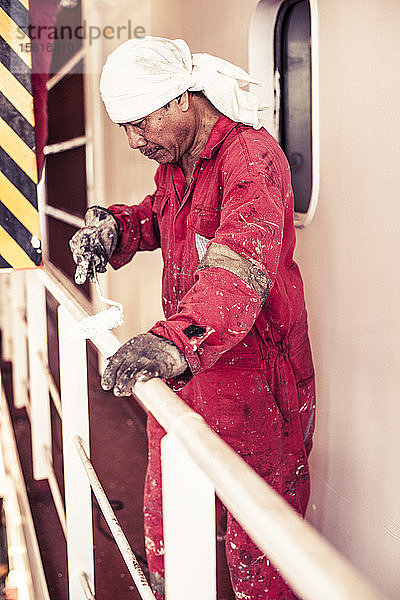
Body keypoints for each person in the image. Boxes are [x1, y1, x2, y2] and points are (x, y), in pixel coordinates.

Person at [70, 36, 316, 600]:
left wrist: (172, 343)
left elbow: (239, 269)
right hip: (191, 368)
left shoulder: (251, 160)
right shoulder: (180, 164)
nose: (133, 142)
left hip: (258, 380)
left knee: (261, 544)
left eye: (140, 124)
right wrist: (115, 228)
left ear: (181, 99)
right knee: (167, 518)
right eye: (123, 129)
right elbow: (160, 217)